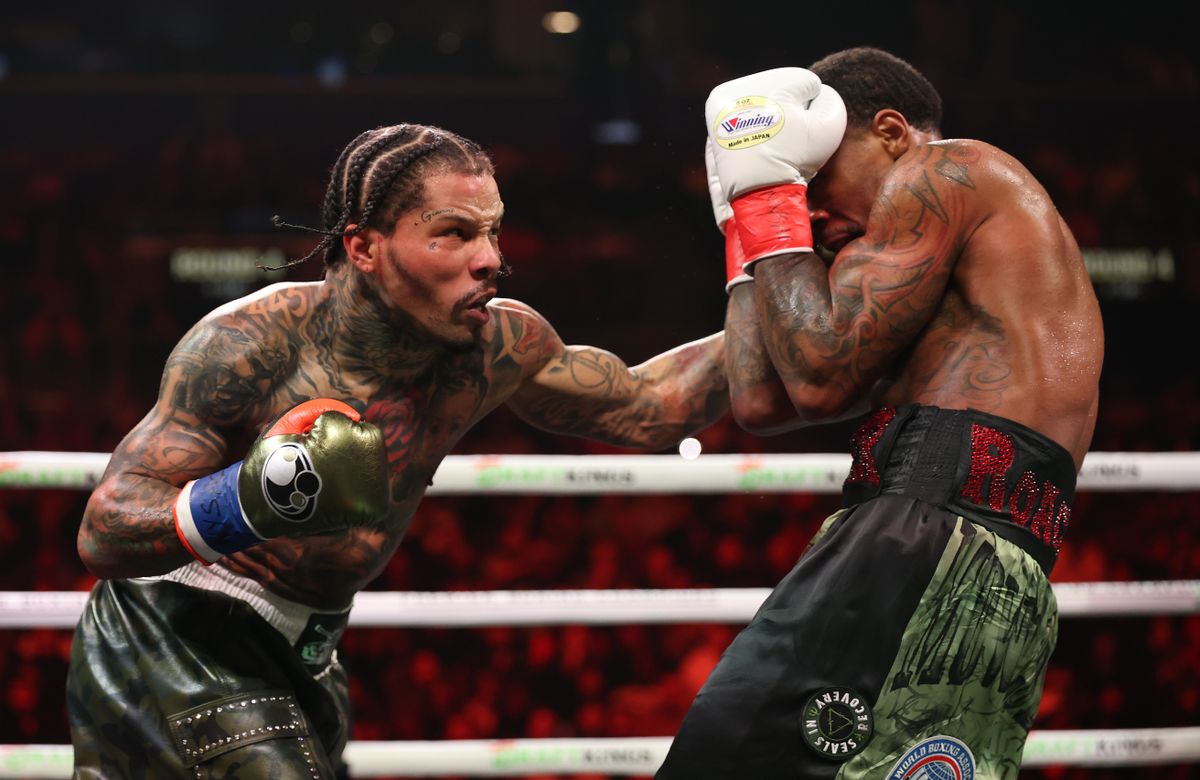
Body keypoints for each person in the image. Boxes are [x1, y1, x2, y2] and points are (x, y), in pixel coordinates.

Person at [67, 122, 729, 779]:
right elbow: (106, 529)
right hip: (179, 626)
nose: (491, 257)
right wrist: (249, 501)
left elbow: (650, 408)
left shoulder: (497, 349)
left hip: (309, 647)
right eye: (456, 233)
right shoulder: (253, 344)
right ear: (363, 247)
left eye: (493, 231)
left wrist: (772, 256)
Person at [657, 48, 1103, 780]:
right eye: (794, 185)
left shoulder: (944, 170)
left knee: (723, 760)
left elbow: (822, 381)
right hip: (984, 562)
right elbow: (763, 399)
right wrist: (748, 225)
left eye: (815, 175)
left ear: (891, 133)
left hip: (924, 538)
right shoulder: (930, 276)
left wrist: (769, 196)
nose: (810, 207)